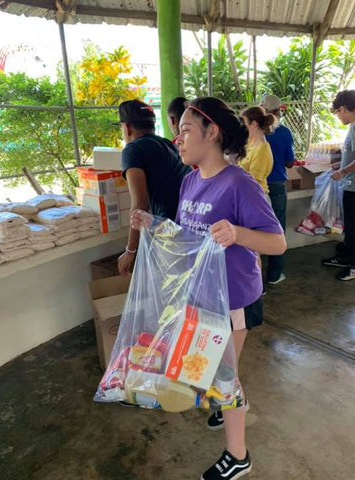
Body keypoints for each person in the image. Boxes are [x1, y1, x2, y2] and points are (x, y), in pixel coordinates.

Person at [132, 97, 286, 480]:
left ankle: (237, 456)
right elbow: (189, 237)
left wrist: (238, 234)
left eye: (184, 130)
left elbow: (277, 243)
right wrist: (155, 225)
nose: (177, 139)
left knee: (226, 380)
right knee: (211, 370)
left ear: (211, 132)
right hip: (202, 297)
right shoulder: (190, 180)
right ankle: (220, 407)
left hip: (234, 301)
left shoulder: (239, 183)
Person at [116, 99, 191, 276]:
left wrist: (130, 251)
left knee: (170, 295)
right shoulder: (169, 144)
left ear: (127, 128)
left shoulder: (133, 150)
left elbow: (140, 205)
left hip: (167, 235)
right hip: (187, 229)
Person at [260, 94, 295, 285]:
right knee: (278, 229)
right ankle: (274, 274)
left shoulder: (253, 131)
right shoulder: (284, 132)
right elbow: (290, 163)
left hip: (255, 186)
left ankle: (257, 281)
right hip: (276, 186)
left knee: (254, 227)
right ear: (278, 111)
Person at [322, 90, 355, 281]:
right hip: (350, 186)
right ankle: (346, 257)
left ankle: (352, 265)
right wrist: (340, 164)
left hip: (353, 187)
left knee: (353, 228)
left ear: (343, 108)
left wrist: (343, 171)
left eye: (337, 113)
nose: (338, 117)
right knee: (349, 227)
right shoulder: (352, 126)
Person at [238, 106, 276, 194]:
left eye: (244, 124)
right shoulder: (249, 142)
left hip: (255, 195)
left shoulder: (262, 150)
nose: (242, 128)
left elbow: (252, 181)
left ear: (254, 124)